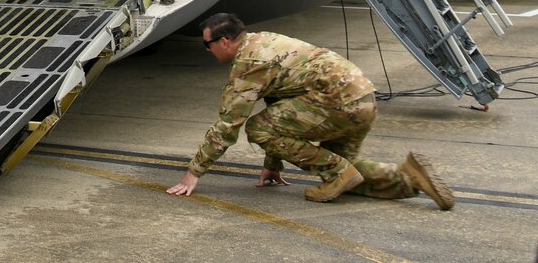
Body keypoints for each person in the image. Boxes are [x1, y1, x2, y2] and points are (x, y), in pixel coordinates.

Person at [166, 12, 455, 209]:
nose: (207, 50)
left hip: (338, 101)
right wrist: (273, 164)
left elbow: (229, 125)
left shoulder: (249, 63)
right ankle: (410, 179)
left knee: (257, 128)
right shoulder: (266, 40)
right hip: (364, 98)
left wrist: (194, 173)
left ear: (224, 41)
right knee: (346, 171)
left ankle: (339, 171)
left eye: (207, 45)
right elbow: (278, 104)